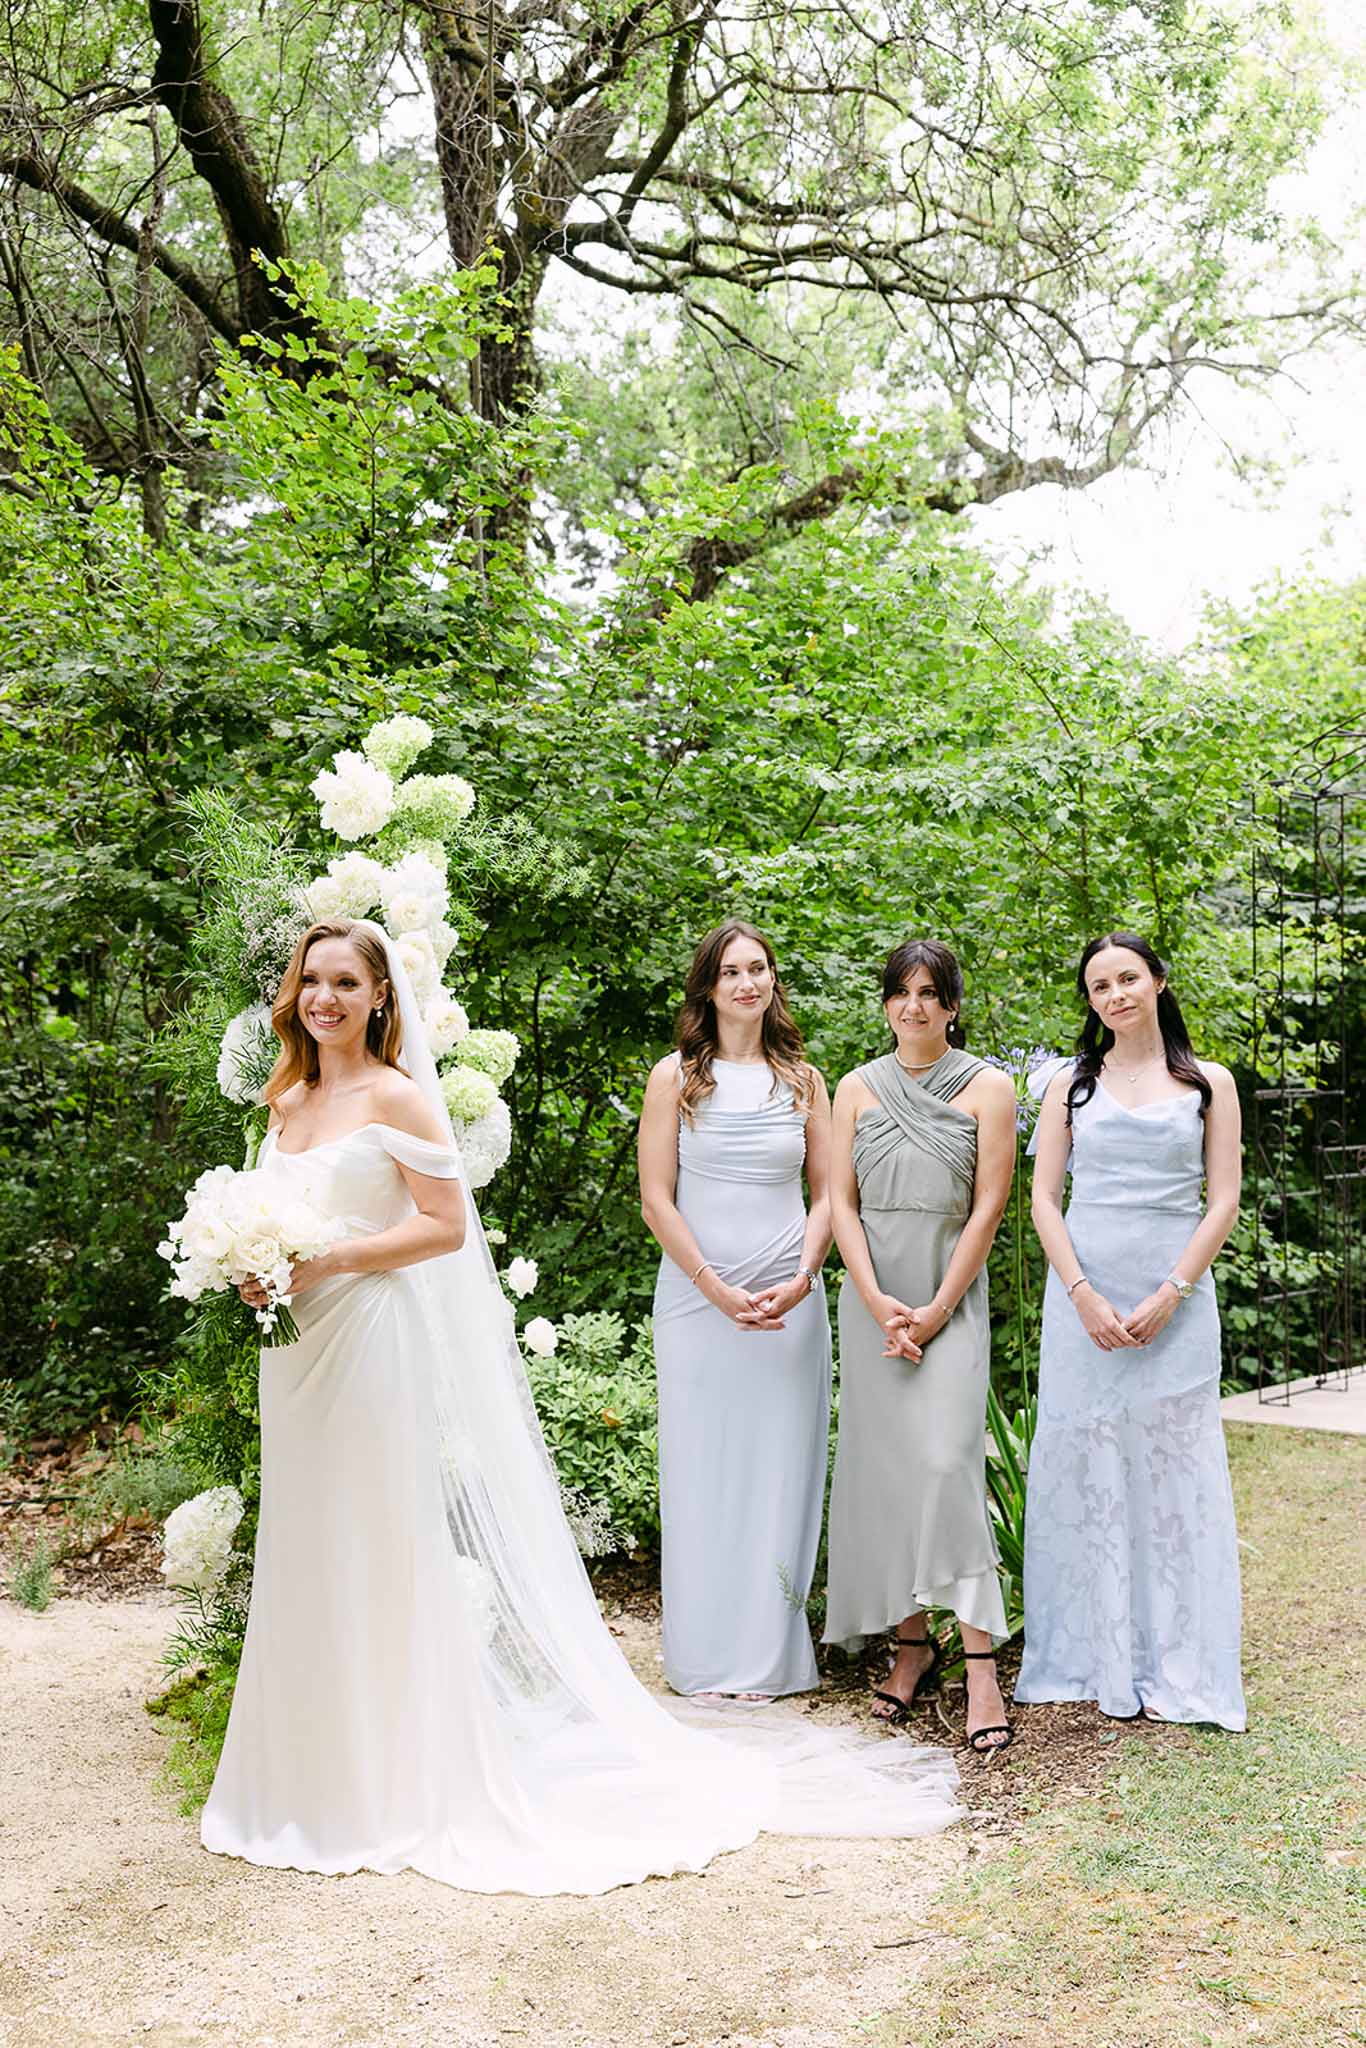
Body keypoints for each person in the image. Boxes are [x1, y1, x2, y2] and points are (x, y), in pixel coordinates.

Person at [201, 917, 961, 1896]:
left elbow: (440, 1225)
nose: (326, 997)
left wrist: (328, 1258)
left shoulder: (395, 1093)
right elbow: (283, 1214)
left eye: (346, 980)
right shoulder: (286, 1095)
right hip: (296, 1349)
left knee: (379, 1536)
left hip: (366, 1336)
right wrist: (257, 1266)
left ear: (380, 995)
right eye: (313, 980)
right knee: (305, 1538)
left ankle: (391, 1768)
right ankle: (298, 1768)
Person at [1016, 932, 1245, 1730]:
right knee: (1087, 1463)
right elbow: (1044, 1199)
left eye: (1127, 978)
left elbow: (1222, 1200)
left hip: (1175, 1300)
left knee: (1174, 1470)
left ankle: (1179, 1657)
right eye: (1098, 986)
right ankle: (1094, 1654)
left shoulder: (1207, 1083)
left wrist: (1174, 1290)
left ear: (1157, 981)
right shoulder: (1070, 1087)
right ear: (1090, 1001)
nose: (1114, 995)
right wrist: (1079, 1293)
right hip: (1084, 1302)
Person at [823, 941, 1018, 1754]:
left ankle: (978, 1664)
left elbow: (990, 1207)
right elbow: (837, 1200)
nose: (914, 1007)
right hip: (874, 1304)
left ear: (953, 1007)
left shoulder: (991, 1088)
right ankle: (911, 1646)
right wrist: (874, 1302)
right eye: (900, 994)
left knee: (946, 1465)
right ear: (885, 1004)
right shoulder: (855, 1088)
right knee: (887, 1475)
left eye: (930, 994)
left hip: (949, 1301)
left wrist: (936, 1309)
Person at [638, 920, 833, 1700]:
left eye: (759, 969)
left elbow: (830, 1196)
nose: (747, 982)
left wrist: (806, 1272)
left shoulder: (806, 1082)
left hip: (789, 1301)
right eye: (731, 971)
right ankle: (705, 1657)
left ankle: (768, 1657)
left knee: (778, 1466)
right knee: (703, 1466)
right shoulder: (675, 1078)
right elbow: (656, 1199)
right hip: (696, 1301)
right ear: (709, 988)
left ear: (772, 981)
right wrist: (713, 1286)